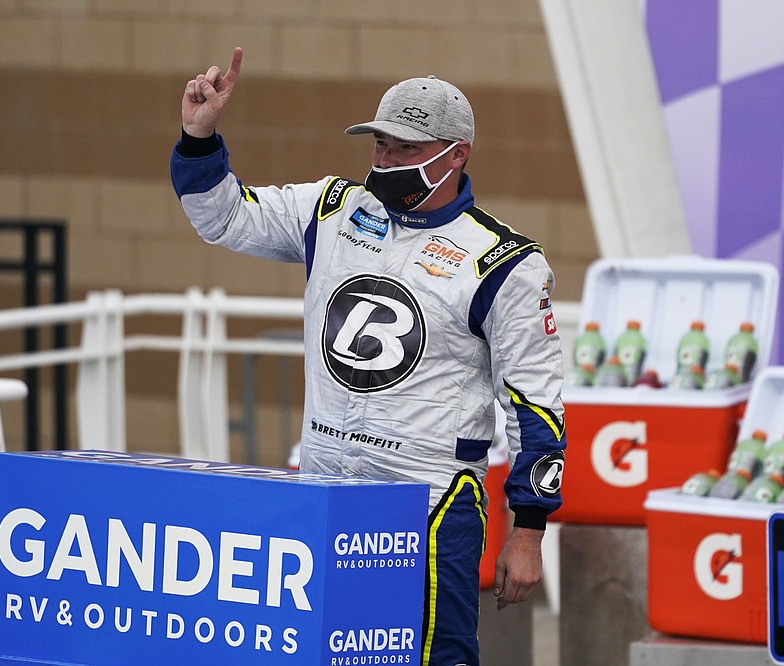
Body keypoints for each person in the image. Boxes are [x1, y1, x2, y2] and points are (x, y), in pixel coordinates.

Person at [171, 47, 567, 665]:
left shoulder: (505, 262)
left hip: (430, 508)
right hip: (327, 490)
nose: (384, 159)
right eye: (380, 143)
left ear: (456, 153)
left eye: (405, 148)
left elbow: (536, 406)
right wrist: (200, 138)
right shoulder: (332, 208)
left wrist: (529, 530)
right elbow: (223, 218)